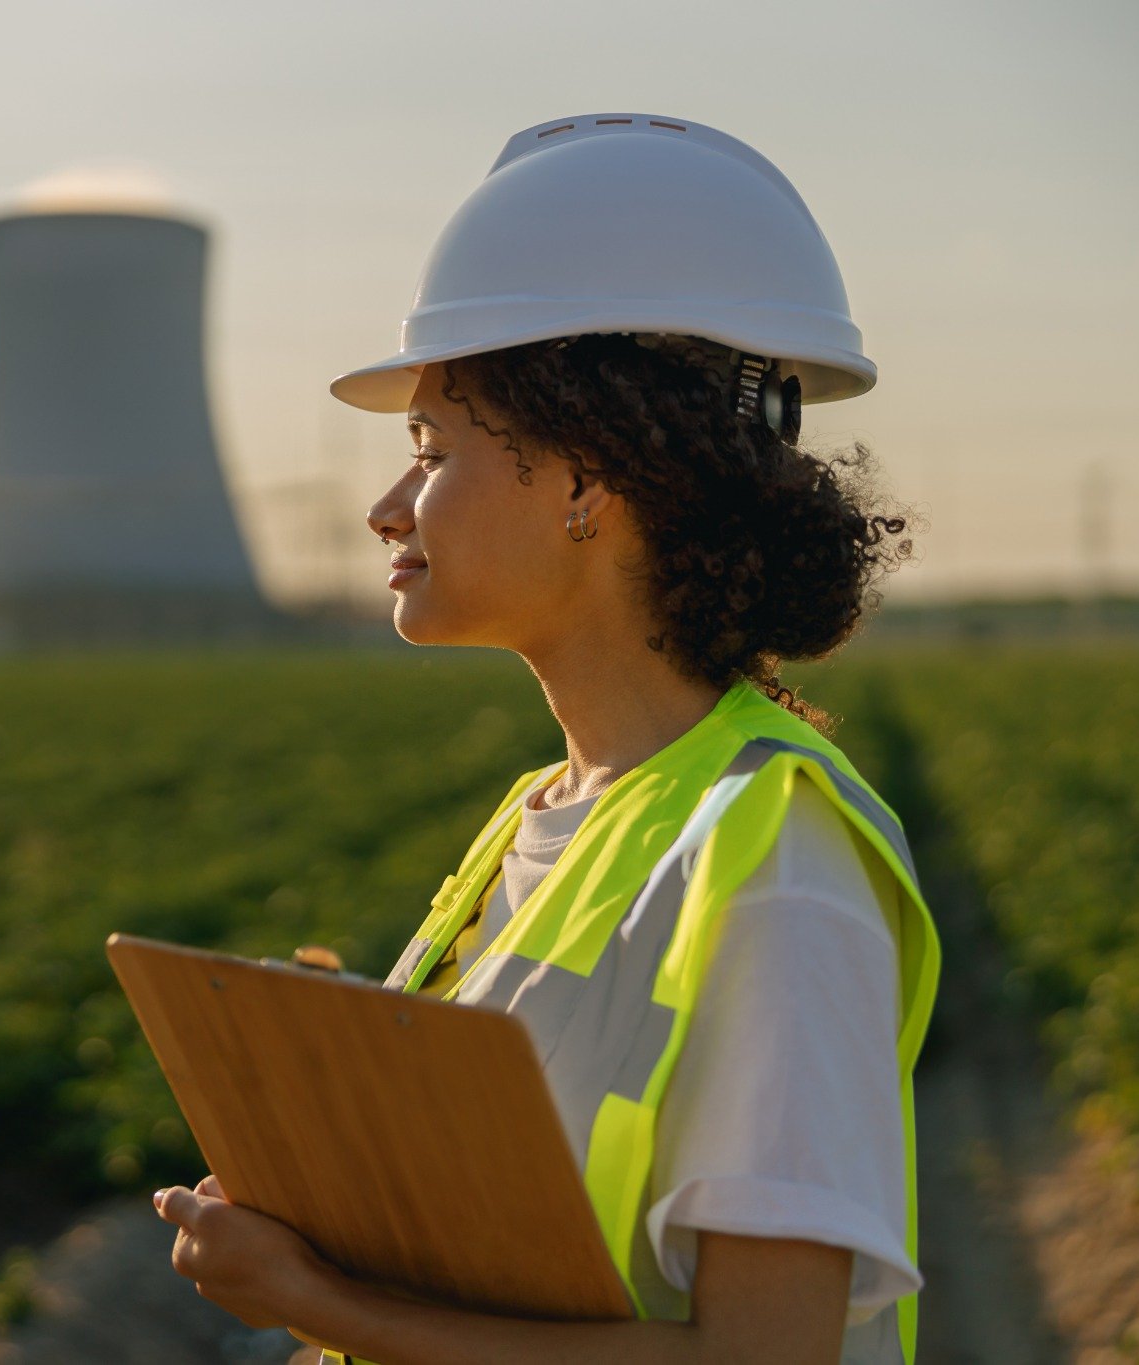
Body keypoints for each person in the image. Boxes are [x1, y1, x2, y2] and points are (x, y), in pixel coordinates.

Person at [151, 113, 942, 1365]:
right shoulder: (542, 815)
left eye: (429, 450)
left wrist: (318, 1303)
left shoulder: (777, 869)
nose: (386, 508)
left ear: (585, 480)